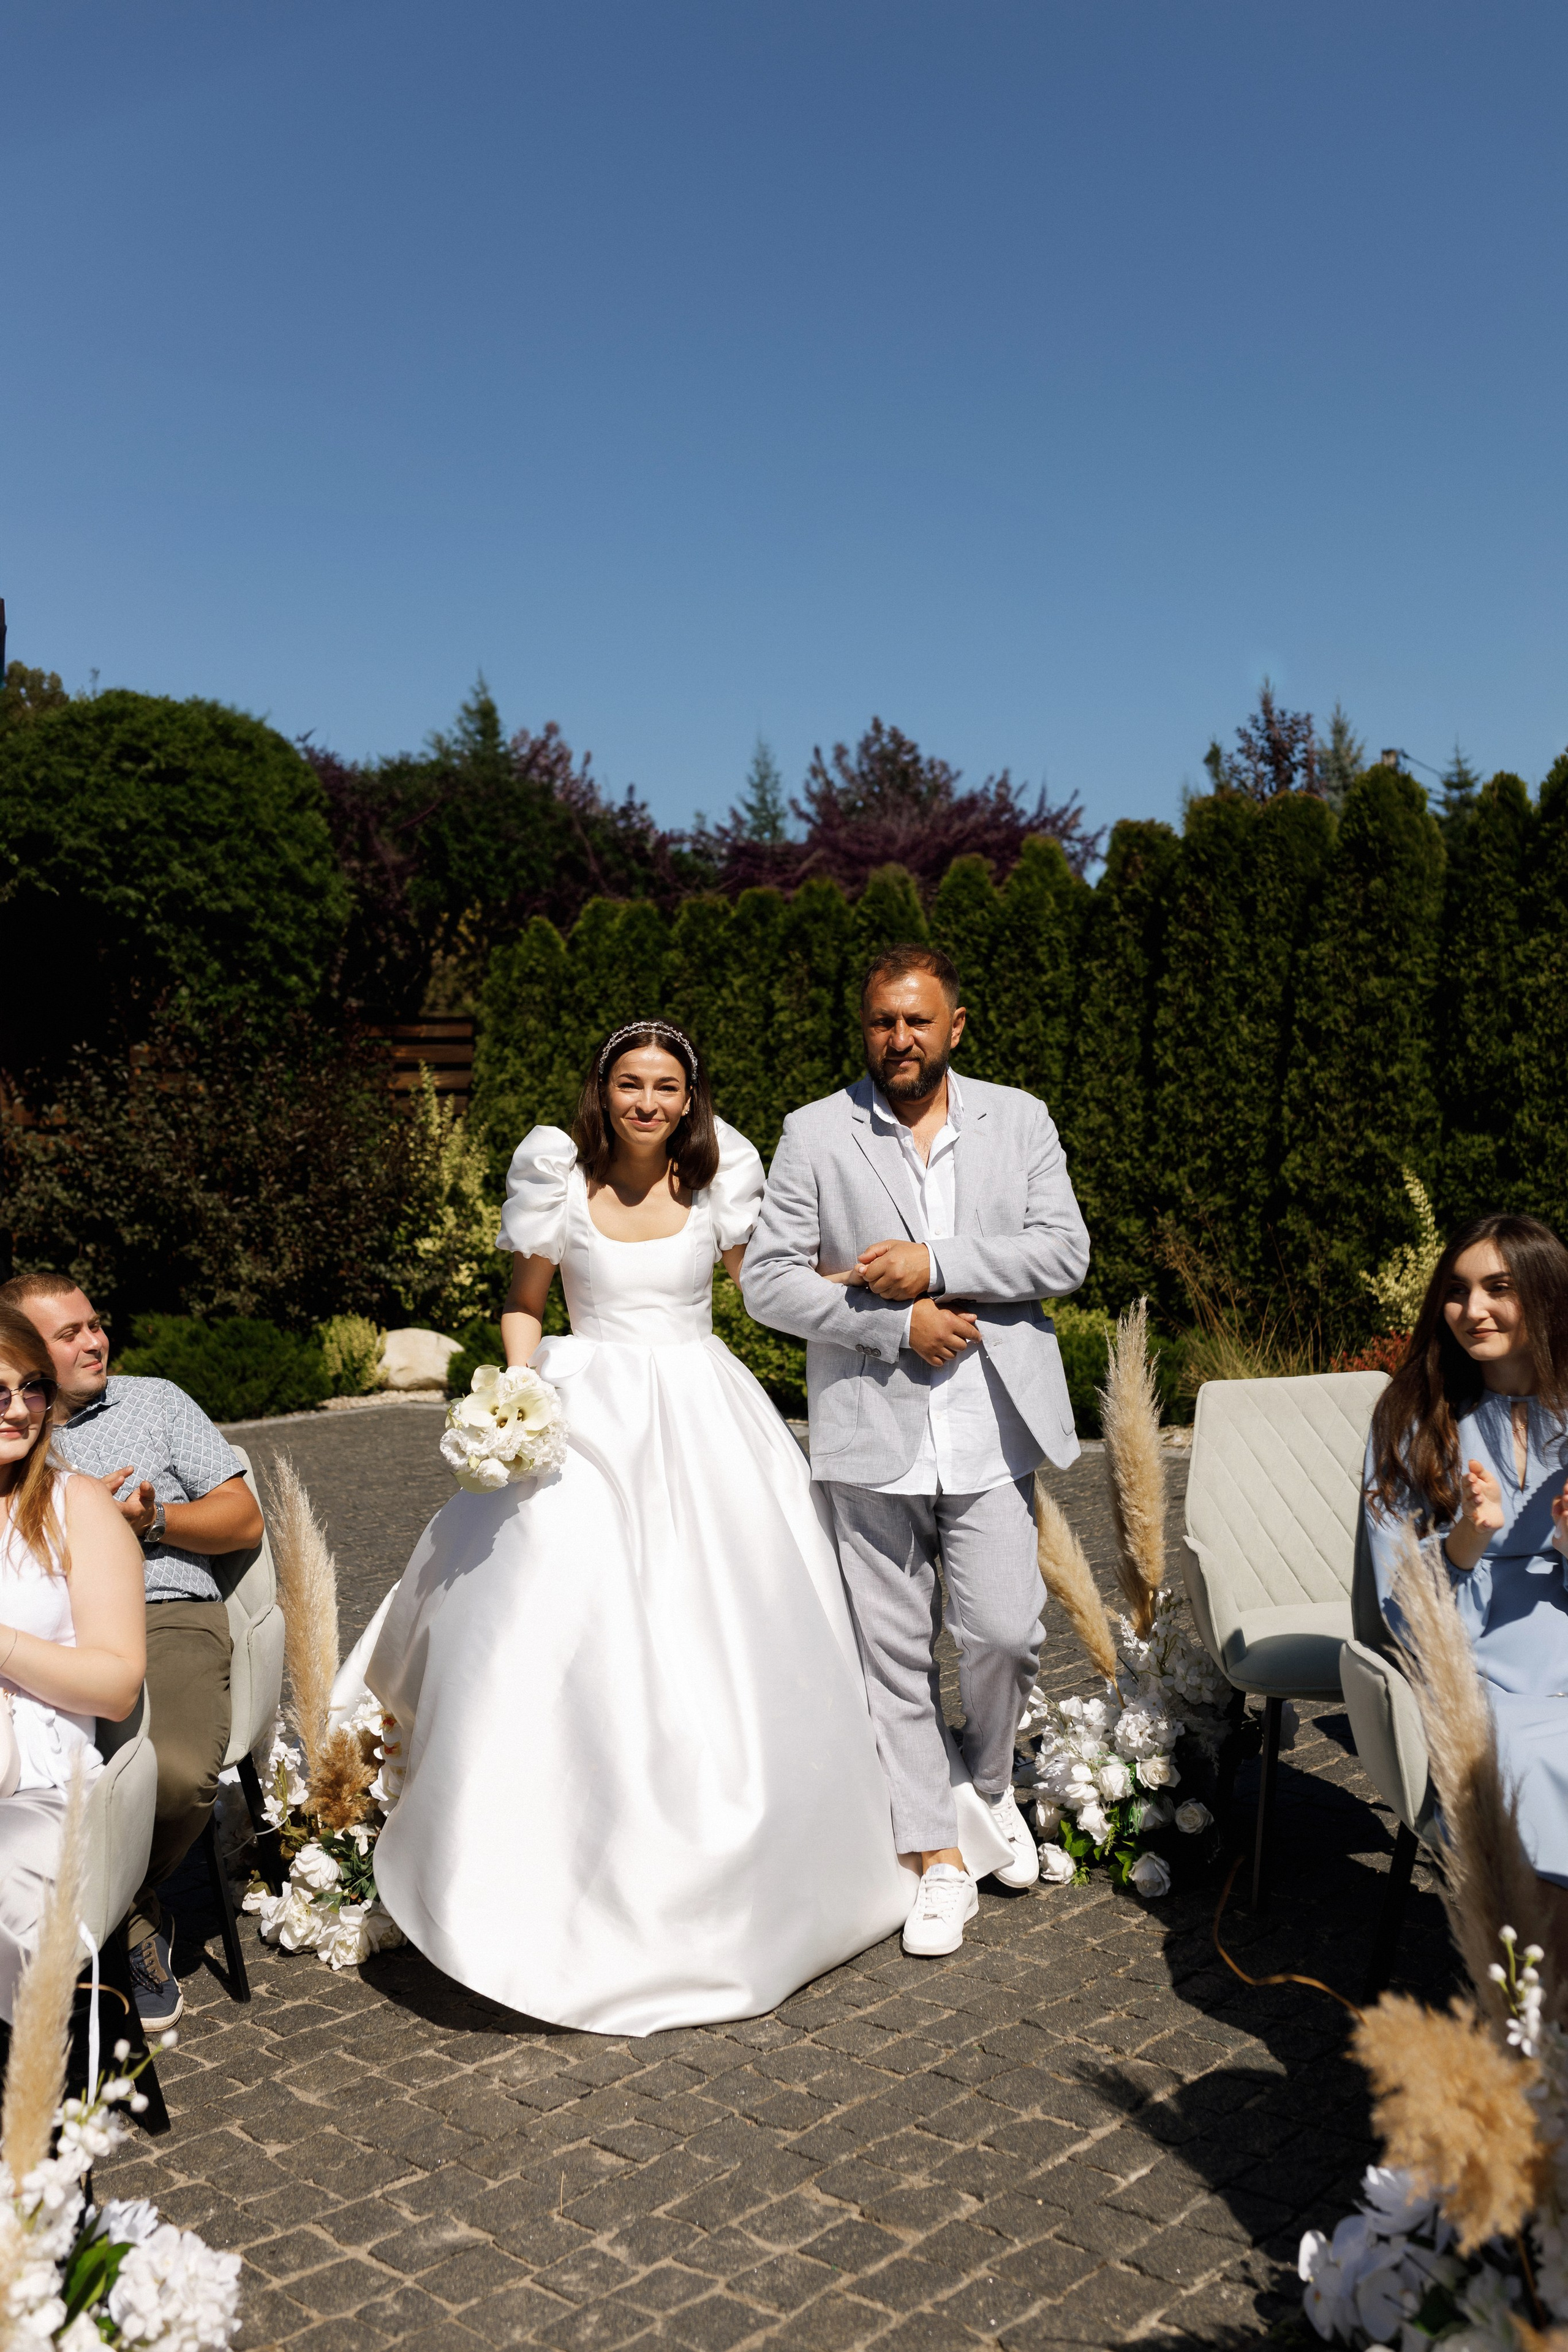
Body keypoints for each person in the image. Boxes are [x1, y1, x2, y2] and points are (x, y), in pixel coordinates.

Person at [347, 1019, 997, 2035]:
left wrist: (872, 1299)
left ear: (690, 1099)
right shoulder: (555, 1171)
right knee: (549, 1607)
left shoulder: (723, 1172)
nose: (647, 1102)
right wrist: (521, 1385)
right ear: (602, 1092)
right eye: (629, 1084)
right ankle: (522, 1833)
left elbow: (763, 1287)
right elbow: (525, 1301)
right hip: (584, 1409)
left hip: (703, 1408)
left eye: (665, 1087)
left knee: (737, 1616)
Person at [742, 944, 1091, 1957]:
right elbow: (768, 1282)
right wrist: (896, 1324)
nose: (898, 1039)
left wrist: (936, 1265)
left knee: (1004, 1632)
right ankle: (936, 1858)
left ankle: (984, 1792)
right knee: (891, 1654)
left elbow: (1061, 1251)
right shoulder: (816, 1131)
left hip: (988, 1430)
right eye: (882, 1023)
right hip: (870, 1431)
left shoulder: (1017, 1118)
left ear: (955, 1026)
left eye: (916, 1021)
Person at [0, 1273, 263, 2027]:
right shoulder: (22, 1432)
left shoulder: (156, 1401)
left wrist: (149, 1524)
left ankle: (125, 1909)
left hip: (162, 1614)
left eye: (94, 1325)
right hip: (49, 1634)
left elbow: (243, 1520)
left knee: (173, 1778)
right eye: (68, 1335)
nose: (93, 1341)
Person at [1363, 1212, 1568, 1904]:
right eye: (1456, 1290)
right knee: (1526, 1762)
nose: (1471, 1310)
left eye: (1497, 1288)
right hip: (1472, 1678)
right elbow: (1398, 1607)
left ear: (1545, 1296)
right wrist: (1464, 1544)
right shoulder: (1411, 1417)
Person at [0, 1303, 145, 2021]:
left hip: (38, 1789)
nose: (20, 1409)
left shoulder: (74, 1504)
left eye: (31, 1388)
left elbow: (118, 1686)